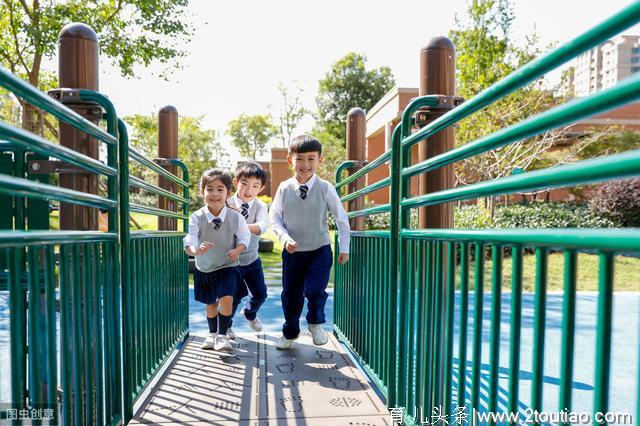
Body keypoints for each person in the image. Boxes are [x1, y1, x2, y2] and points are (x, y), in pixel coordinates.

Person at [269, 134, 350, 350]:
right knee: (291, 295)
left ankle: (315, 323)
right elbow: (274, 218)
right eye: (300, 159)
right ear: (290, 160)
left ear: (319, 160)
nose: (305, 164)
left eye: (311, 159)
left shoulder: (325, 188)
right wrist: (285, 238)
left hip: (319, 251)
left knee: (315, 291)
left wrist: (344, 248)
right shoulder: (284, 188)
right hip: (293, 253)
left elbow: (341, 218)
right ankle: (290, 332)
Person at [183, 169, 250, 351]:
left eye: (220, 189)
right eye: (209, 189)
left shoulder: (235, 217)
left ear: (228, 193)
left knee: (227, 297)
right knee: (211, 304)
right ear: (202, 192)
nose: (215, 194)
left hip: (228, 266)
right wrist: (196, 250)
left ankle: (222, 335)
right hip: (205, 267)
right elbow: (190, 239)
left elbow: (245, 238)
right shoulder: (197, 217)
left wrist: (238, 249)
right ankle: (212, 333)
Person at [227, 161, 269, 338]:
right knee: (233, 296)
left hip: (252, 260)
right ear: (236, 183)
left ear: (261, 188)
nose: (248, 190)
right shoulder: (226, 203)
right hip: (231, 262)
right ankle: (226, 326)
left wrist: (241, 223)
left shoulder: (260, 206)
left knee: (260, 294)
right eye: (244, 184)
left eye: (255, 186)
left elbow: (262, 227)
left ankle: (249, 313)